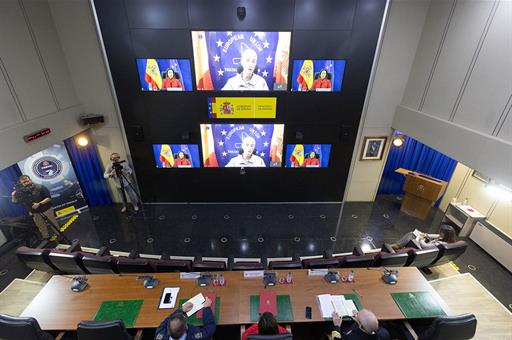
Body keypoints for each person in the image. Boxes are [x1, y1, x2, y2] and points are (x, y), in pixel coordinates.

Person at [11, 175, 59, 240]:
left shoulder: (40, 187)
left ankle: (59, 235)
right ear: (21, 183)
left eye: (27, 181)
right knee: (41, 226)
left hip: (46, 209)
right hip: (34, 213)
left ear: (30, 180)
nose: (26, 183)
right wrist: (13, 196)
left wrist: (39, 203)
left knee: (53, 223)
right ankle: (46, 238)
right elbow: (15, 203)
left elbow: (49, 198)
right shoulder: (21, 193)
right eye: (24, 183)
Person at [391, 224, 457, 250]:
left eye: (441, 232)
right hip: (427, 247)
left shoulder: (439, 244)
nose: (439, 233)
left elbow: (425, 246)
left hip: (422, 249)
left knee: (411, 234)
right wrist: (426, 235)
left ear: (445, 234)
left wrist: (421, 239)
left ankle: (397, 245)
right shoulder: (447, 240)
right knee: (414, 234)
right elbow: (437, 235)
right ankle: (399, 245)